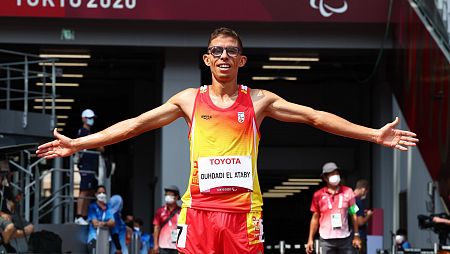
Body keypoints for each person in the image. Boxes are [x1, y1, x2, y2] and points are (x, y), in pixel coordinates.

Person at [36, 27, 418, 254]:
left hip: (243, 214)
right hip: (198, 211)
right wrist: (78, 145)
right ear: (207, 59)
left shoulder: (258, 101)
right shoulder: (189, 99)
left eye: (231, 51)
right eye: (216, 50)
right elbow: (135, 124)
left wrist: (373, 134)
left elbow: (315, 117)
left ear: (241, 60)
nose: (223, 56)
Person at [305, 162, 362, 254]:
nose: (335, 176)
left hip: (345, 238)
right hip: (326, 239)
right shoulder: (318, 195)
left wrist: (356, 235)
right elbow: (315, 217)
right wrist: (310, 239)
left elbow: (353, 213)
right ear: (325, 178)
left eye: (336, 173)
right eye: (331, 174)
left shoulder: (348, 192)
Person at [75, 109, 104, 225]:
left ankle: (85, 215)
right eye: (89, 118)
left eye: (92, 118)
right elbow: (97, 145)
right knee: (83, 190)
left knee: (89, 192)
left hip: (92, 166)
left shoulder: (91, 133)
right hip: (85, 165)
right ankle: (78, 216)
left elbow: (101, 147)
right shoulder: (82, 132)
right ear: (83, 118)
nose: (91, 120)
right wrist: (97, 144)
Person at [152, 186, 180, 254]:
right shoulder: (160, 211)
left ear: (176, 197)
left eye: (170, 194)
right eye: (167, 194)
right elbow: (156, 228)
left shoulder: (182, 211)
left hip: (178, 246)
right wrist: (156, 245)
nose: (168, 196)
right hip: (163, 245)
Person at [87, 185, 115, 253]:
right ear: (96, 194)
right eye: (99, 193)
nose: (102, 195)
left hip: (107, 240)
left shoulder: (109, 207)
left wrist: (103, 223)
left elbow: (113, 223)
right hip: (94, 238)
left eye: (103, 193)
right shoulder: (92, 207)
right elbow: (95, 224)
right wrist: (107, 223)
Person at [353, 179, 373, 254]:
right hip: (359, 236)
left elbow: (354, 214)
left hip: (348, 236)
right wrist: (368, 215)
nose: (366, 194)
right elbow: (360, 222)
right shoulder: (358, 201)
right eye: (366, 192)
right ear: (363, 189)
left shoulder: (350, 199)